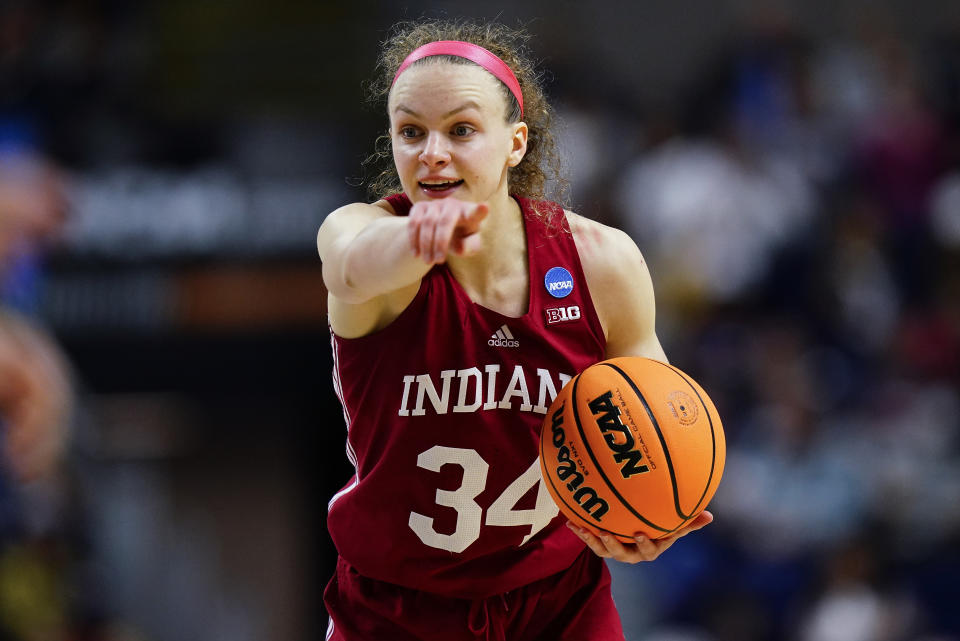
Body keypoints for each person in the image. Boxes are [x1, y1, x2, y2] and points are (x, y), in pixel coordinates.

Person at [316, 20, 713, 641]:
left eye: (461, 129)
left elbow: (654, 413)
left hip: (559, 600)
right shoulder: (362, 233)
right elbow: (351, 264)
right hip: (397, 609)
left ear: (516, 143)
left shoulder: (601, 263)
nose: (432, 152)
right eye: (411, 131)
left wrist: (649, 519)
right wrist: (420, 238)